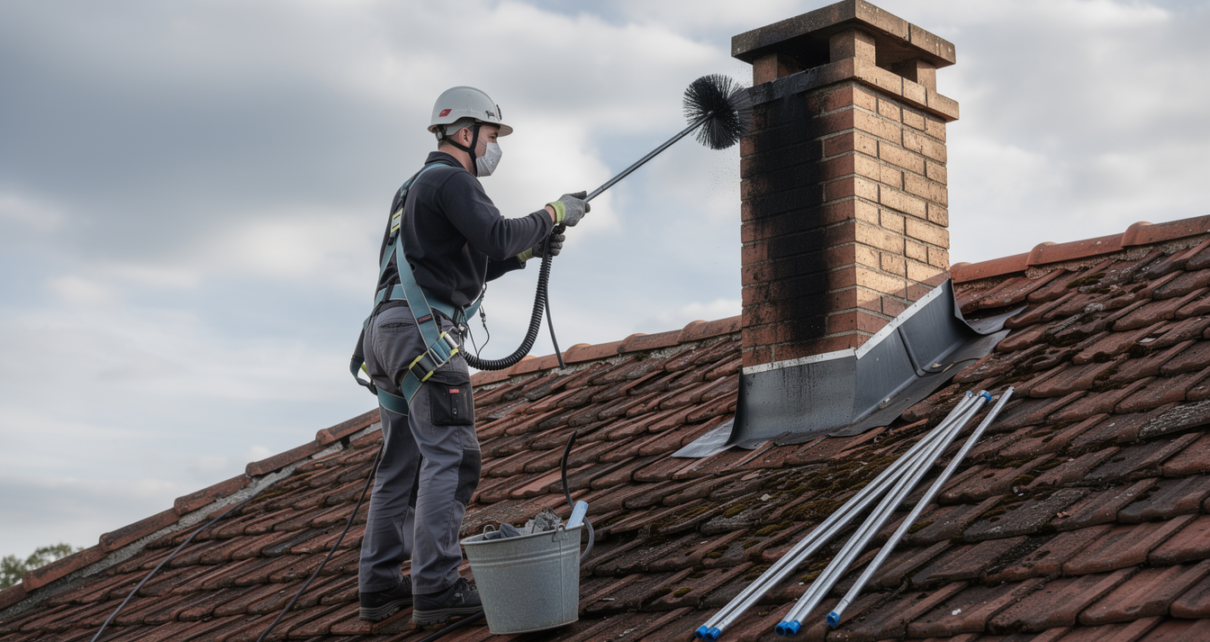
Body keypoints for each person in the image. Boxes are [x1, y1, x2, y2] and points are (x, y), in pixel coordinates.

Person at [356, 86, 589, 625]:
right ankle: (434, 589)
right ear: (465, 133)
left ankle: (379, 587)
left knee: (400, 465)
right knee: (453, 456)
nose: (494, 147)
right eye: (491, 135)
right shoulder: (452, 179)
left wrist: (529, 250)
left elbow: (472, 255)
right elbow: (497, 234)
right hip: (424, 334)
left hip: (386, 334)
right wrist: (554, 212)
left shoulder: (412, 188)